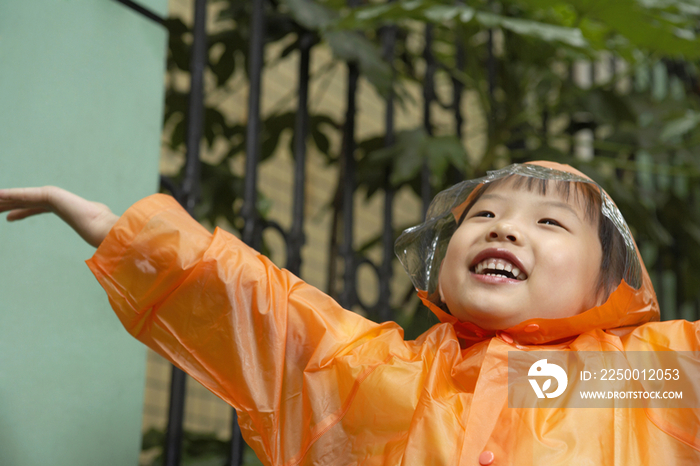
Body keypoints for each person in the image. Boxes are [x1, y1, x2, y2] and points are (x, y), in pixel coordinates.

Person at [1, 161, 699, 465]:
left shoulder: (631, 378)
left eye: (549, 223)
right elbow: (261, 304)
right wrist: (111, 225)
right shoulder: (378, 373)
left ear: (606, 283)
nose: (503, 229)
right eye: (483, 214)